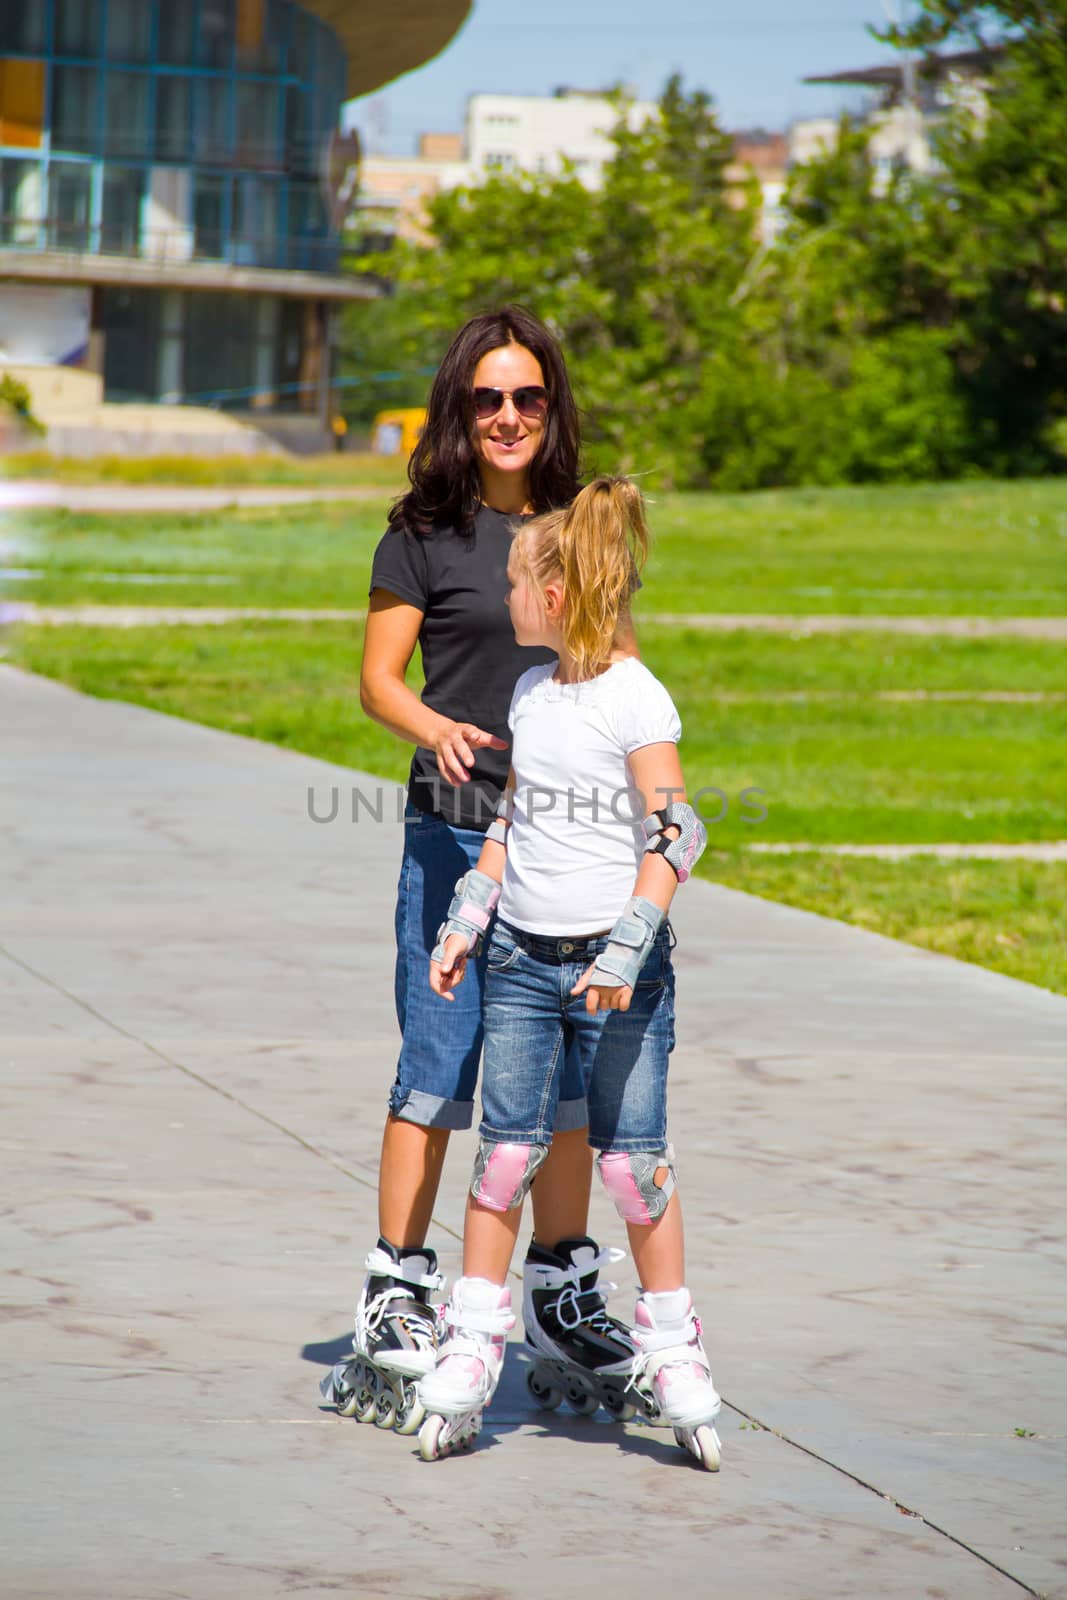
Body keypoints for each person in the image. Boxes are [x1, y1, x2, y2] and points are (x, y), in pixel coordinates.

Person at [321, 309, 638, 1433]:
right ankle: (396, 1286)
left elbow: (616, 667)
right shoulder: (421, 531)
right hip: (458, 839)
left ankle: (558, 1284)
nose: (507, 417)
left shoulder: (575, 530)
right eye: (486, 398)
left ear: (551, 407)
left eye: (528, 398)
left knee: (561, 1079)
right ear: (459, 408)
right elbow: (377, 679)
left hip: (568, 852)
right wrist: (431, 727)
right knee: (436, 1061)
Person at [416, 477, 722, 1471]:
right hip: (516, 965)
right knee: (503, 1154)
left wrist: (626, 947)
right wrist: (468, 917)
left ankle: (672, 1347)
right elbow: (513, 821)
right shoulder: (527, 693)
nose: (505, 600)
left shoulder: (634, 695)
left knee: (632, 1163)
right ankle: (472, 1341)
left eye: (515, 585)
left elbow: (678, 831)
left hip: (617, 973)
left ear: (560, 591)